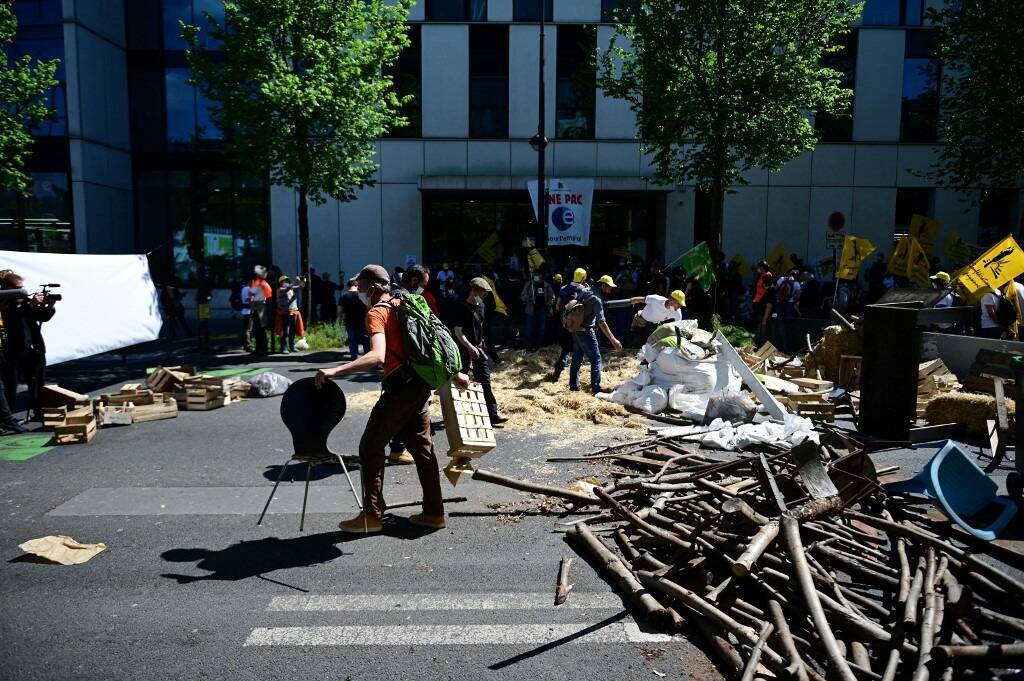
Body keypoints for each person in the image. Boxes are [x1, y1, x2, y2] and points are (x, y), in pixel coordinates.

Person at [315, 264, 469, 534]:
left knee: (370, 446)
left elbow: (377, 356)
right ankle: (434, 513)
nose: (358, 291)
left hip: (401, 389)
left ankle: (372, 516)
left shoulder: (377, 312)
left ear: (373, 287)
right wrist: (455, 374)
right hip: (421, 385)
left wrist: (334, 371)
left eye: (361, 287)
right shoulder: (405, 304)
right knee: (423, 449)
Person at [0, 270, 56, 421]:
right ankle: (6, 419)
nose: (22, 291)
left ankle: (39, 412)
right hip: (12, 350)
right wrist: (31, 304)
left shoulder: (25, 302)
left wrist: (49, 306)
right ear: (6, 288)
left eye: (22, 287)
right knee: (10, 386)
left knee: (37, 384)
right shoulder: (4, 305)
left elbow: (41, 317)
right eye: (18, 288)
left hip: (33, 348)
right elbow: (13, 317)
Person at [454, 278, 507, 427]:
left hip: (479, 349)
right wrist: (469, 347)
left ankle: (492, 415)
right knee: (462, 383)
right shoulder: (461, 307)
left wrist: (482, 348)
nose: (485, 296)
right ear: (474, 290)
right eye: (483, 293)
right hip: (464, 351)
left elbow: (481, 329)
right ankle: (462, 415)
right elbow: (458, 331)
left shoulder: (482, 306)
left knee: (485, 381)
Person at [569, 275, 623, 394]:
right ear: (603, 286)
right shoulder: (597, 299)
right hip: (587, 331)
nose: (610, 290)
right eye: (609, 287)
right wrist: (613, 340)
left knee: (577, 356)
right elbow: (601, 322)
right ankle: (596, 388)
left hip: (576, 328)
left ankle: (573, 386)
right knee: (596, 359)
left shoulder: (585, 290)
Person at [550, 268, 587, 382]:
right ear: (583, 278)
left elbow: (557, 306)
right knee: (578, 353)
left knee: (565, 350)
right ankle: (574, 382)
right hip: (577, 326)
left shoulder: (563, 288)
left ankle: (557, 373)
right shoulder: (584, 290)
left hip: (564, 324)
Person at [519, 272, 555, 350]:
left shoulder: (547, 285)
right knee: (529, 329)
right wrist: (530, 298)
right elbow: (522, 296)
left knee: (541, 328)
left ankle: (539, 346)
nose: (536, 277)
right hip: (531, 310)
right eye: (535, 275)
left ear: (541, 276)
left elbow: (552, 297)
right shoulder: (529, 284)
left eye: (537, 275)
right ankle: (529, 345)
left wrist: (548, 304)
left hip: (542, 310)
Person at [275, 275, 306, 353]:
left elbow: (301, 287)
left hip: (293, 312)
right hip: (285, 313)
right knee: (285, 331)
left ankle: (292, 347)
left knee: (292, 331)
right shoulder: (280, 290)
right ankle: (284, 348)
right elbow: (288, 288)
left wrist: (302, 281)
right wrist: (295, 281)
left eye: (287, 281)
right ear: (280, 283)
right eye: (284, 281)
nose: (286, 282)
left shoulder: (291, 289)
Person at [339, 278, 369, 359]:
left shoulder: (344, 296)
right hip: (363, 320)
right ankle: (368, 356)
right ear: (356, 285)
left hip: (349, 321)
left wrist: (340, 319)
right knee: (365, 339)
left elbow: (339, 310)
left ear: (348, 286)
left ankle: (354, 355)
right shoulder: (362, 295)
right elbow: (368, 307)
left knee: (352, 339)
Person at [248, 266, 273, 355]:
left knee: (258, 329)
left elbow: (251, 295)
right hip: (261, 307)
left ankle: (261, 348)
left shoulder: (258, 283)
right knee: (260, 329)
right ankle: (262, 348)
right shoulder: (264, 283)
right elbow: (269, 295)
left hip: (258, 307)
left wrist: (251, 300)